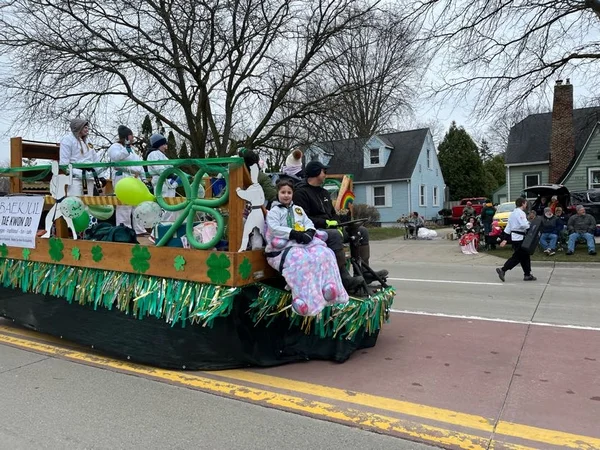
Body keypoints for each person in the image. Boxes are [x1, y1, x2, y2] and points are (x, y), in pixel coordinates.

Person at [293, 160, 388, 291]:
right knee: (335, 235)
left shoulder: (324, 193)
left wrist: (337, 222)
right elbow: (303, 218)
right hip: (314, 231)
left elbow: (333, 213)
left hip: (330, 229)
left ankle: (363, 272)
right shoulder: (301, 193)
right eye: (323, 171)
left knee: (361, 231)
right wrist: (325, 223)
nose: (326, 174)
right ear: (315, 172)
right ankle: (343, 277)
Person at [265, 179, 348, 316]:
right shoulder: (274, 211)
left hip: (302, 243)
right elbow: (274, 229)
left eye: (289, 192)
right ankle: (303, 299)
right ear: (278, 193)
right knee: (301, 260)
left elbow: (307, 222)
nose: (286, 195)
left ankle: (329, 287)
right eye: (283, 192)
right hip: (283, 246)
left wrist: (309, 231)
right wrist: (292, 233)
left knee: (325, 253)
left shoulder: (298, 210)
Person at [108, 125, 146, 235]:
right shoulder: (115, 147)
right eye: (131, 135)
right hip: (123, 178)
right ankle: (124, 230)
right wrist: (126, 149)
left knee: (137, 204)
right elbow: (116, 158)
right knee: (124, 205)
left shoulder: (133, 150)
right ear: (126, 136)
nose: (132, 137)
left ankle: (139, 230)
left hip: (135, 178)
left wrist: (144, 178)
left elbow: (140, 164)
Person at [59, 118, 103, 196]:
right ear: (78, 127)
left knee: (89, 204)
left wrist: (100, 176)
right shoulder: (67, 140)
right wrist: (76, 173)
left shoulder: (88, 142)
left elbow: (95, 160)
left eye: (87, 127)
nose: (87, 129)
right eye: (85, 127)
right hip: (76, 178)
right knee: (75, 202)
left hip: (89, 177)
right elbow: (64, 163)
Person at [496, 197, 536, 282]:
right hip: (520, 238)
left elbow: (508, 228)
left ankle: (527, 274)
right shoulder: (521, 213)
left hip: (515, 238)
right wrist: (530, 226)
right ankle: (503, 270)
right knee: (517, 257)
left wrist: (505, 238)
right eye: (525, 203)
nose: (526, 205)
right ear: (522, 204)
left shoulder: (513, 213)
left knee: (525, 256)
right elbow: (523, 225)